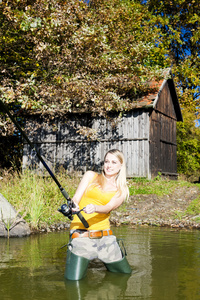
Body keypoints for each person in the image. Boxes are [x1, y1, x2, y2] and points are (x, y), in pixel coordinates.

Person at [65, 149, 132, 280]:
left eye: (114, 162)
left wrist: (95, 208)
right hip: (81, 235)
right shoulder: (91, 176)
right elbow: (76, 198)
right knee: (73, 280)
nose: (109, 165)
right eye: (107, 161)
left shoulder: (122, 190)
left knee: (125, 274)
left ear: (121, 166)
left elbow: (108, 208)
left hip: (105, 237)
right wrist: (74, 205)